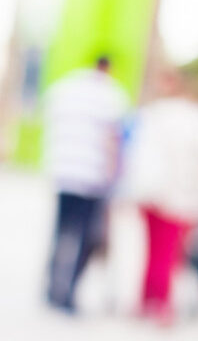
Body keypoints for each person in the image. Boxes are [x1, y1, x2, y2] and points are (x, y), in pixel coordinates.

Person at [122, 70, 198, 324]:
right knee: (167, 254)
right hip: (178, 196)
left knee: (153, 251)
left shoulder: (153, 114)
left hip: (151, 192)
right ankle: (161, 304)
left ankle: (148, 300)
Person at [43, 56, 128, 313]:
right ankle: (68, 291)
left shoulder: (65, 88)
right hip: (92, 176)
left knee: (61, 232)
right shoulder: (111, 95)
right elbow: (113, 138)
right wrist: (116, 175)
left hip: (64, 171)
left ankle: (52, 287)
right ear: (108, 69)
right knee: (85, 237)